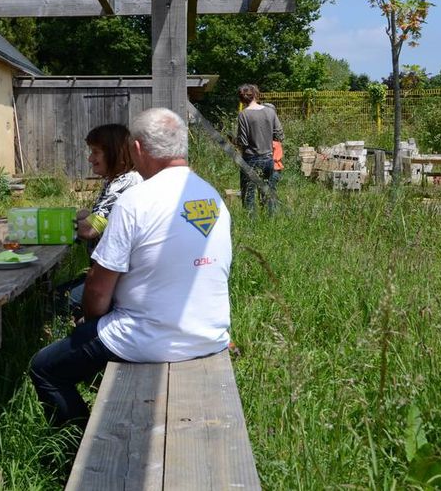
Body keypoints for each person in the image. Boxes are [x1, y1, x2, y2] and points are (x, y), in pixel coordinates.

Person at [30, 108, 233, 427]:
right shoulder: (212, 197)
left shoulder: (137, 199)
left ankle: (74, 452)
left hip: (151, 337)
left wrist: (88, 324)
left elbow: (97, 291)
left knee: (45, 368)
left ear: (136, 149)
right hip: (210, 334)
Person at [61, 124, 143, 313]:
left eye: (95, 152)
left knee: (55, 301)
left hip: (119, 281)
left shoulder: (124, 183)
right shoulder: (122, 180)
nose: (90, 159)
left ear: (115, 153)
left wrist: (48, 225)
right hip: (118, 275)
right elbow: (100, 218)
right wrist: (82, 216)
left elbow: (91, 229)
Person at [235, 84, 283, 213]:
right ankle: (271, 221)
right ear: (256, 94)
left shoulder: (243, 115)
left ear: (242, 99)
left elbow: (243, 142)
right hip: (268, 159)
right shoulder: (270, 111)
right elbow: (279, 135)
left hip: (250, 159)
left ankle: (251, 225)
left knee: (248, 194)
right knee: (269, 192)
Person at [264, 102, 284, 192]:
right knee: (268, 190)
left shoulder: (274, 143)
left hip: (273, 169)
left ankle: (271, 205)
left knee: (269, 191)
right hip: (273, 169)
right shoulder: (276, 141)